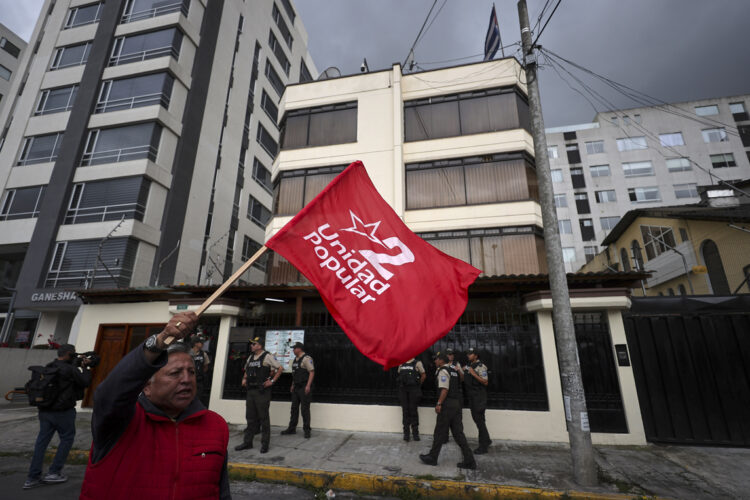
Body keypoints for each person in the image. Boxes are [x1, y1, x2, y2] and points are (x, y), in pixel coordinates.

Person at [79, 312, 231, 500]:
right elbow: (109, 393)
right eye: (175, 373)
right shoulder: (121, 420)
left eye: (191, 372)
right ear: (147, 386)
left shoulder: (215, 425)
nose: (186, 379)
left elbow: (221, 491)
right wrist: (159, 342)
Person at [24, 344, 92, 489]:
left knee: (41, 442)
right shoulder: (69, 369)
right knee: (67, 439)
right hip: (63, 411)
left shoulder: (49, 366)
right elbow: (85, 382)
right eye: (73, 354)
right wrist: (85, 368)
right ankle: (54, 472)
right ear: (68, 354)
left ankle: (32, 477)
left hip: (45, 410)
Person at [419, 352, 475, 469]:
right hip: (456, 404)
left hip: (447, 405)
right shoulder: (453, 370)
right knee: (458, 434)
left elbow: (444, 389)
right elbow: (461, 379)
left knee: (439, 432)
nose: (435, 361)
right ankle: (470, 460)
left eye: (436, 360)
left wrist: (439, 403)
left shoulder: (443, 371)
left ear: (441, 360)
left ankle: (433, 457)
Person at [235, 336, 282, 453]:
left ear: (260, 346)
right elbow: (247, 370)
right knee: (250, 418)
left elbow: (280, 368)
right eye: (251, 344)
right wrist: (244, 379)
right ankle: (247, 442)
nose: (252, 346)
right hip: (251, 391)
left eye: (254, 344)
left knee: (263, 418)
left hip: (262, 391)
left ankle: (265, 444)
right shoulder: (251, 357)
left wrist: (271, 381)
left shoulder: (267, 356)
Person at [281, 342, 315, 438]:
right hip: (296, 387)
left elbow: (312, 372)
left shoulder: (306, 359)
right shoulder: (295, 360)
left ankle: (307, 430)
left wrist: (308, 386)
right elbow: (295, 374)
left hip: (304, 387)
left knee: (305, 410)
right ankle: (292, 428)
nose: (293, 350)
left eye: (294, 348)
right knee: (294, 409)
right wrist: (292, 384)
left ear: (299, 349)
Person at [464, 347, 491, 454]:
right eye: (468, 353)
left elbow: (485, 382)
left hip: (479, 398)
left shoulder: (481, 367)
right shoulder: (470, 366)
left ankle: (483, 446)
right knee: (479, 421)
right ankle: (487, 440)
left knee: (479, 421)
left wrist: (473, 373)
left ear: (476, 356)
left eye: (470, 354)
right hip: (472, 397)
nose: (468, 355)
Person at [396, 357, 426, 441]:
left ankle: (415, 434)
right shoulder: (401, 362)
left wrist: (418, 385)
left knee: (413, 411)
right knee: (405, 411)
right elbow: (399, 374)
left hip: (414, 390)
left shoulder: (417, 363)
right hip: (403, 390)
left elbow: (423, 375)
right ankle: (406, 434)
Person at [191, 335, 211, 402]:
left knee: (198, 398)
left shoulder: (203, 354)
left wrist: (200, 373)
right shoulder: (188, 353)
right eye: (201, 343)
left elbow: (206, 366)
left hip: (199, 381)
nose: (202, 344)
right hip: (189, 379)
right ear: (195, 343)